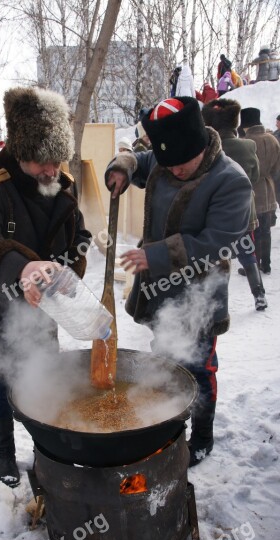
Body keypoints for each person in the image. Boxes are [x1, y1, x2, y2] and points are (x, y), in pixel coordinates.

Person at [0, 87, 91, 488]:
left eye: (56, 160)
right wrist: (23, 269)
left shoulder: (62, 184)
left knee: (40, 384)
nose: (50, 170)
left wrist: (68, 268)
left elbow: (79, 235)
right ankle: (4, 457)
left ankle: (47, 457)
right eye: (41, 162)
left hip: (40, 310)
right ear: (20, 151)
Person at [104, 97, 251, 467]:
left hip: (198, 296)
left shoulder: (231, 180)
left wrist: (154, 256)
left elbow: (220, 240)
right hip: (159, 295)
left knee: (199, 367)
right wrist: (122, 167)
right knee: (167, 360)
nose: (176, 171)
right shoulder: (167, 161)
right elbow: (138, 160)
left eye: (183, 165)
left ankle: (202, 434)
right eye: (169, 165)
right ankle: (171, 427)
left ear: (201, 144)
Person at [201, 98, 267, 310]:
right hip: (244, 212)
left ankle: (216, 305)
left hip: (215, 215)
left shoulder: (206, 148)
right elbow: (255, 176)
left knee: (217, 260)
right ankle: (259, 295)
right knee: (248, 254)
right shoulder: (248, 146)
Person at [240, 107, 280, 274]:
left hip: (253, 190)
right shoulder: (273, 139)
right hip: (269, 187)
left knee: (253, 229)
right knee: (266, 229)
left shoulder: (247, 142)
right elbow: (277, 169)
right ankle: (267, 263)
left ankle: (254, 264)